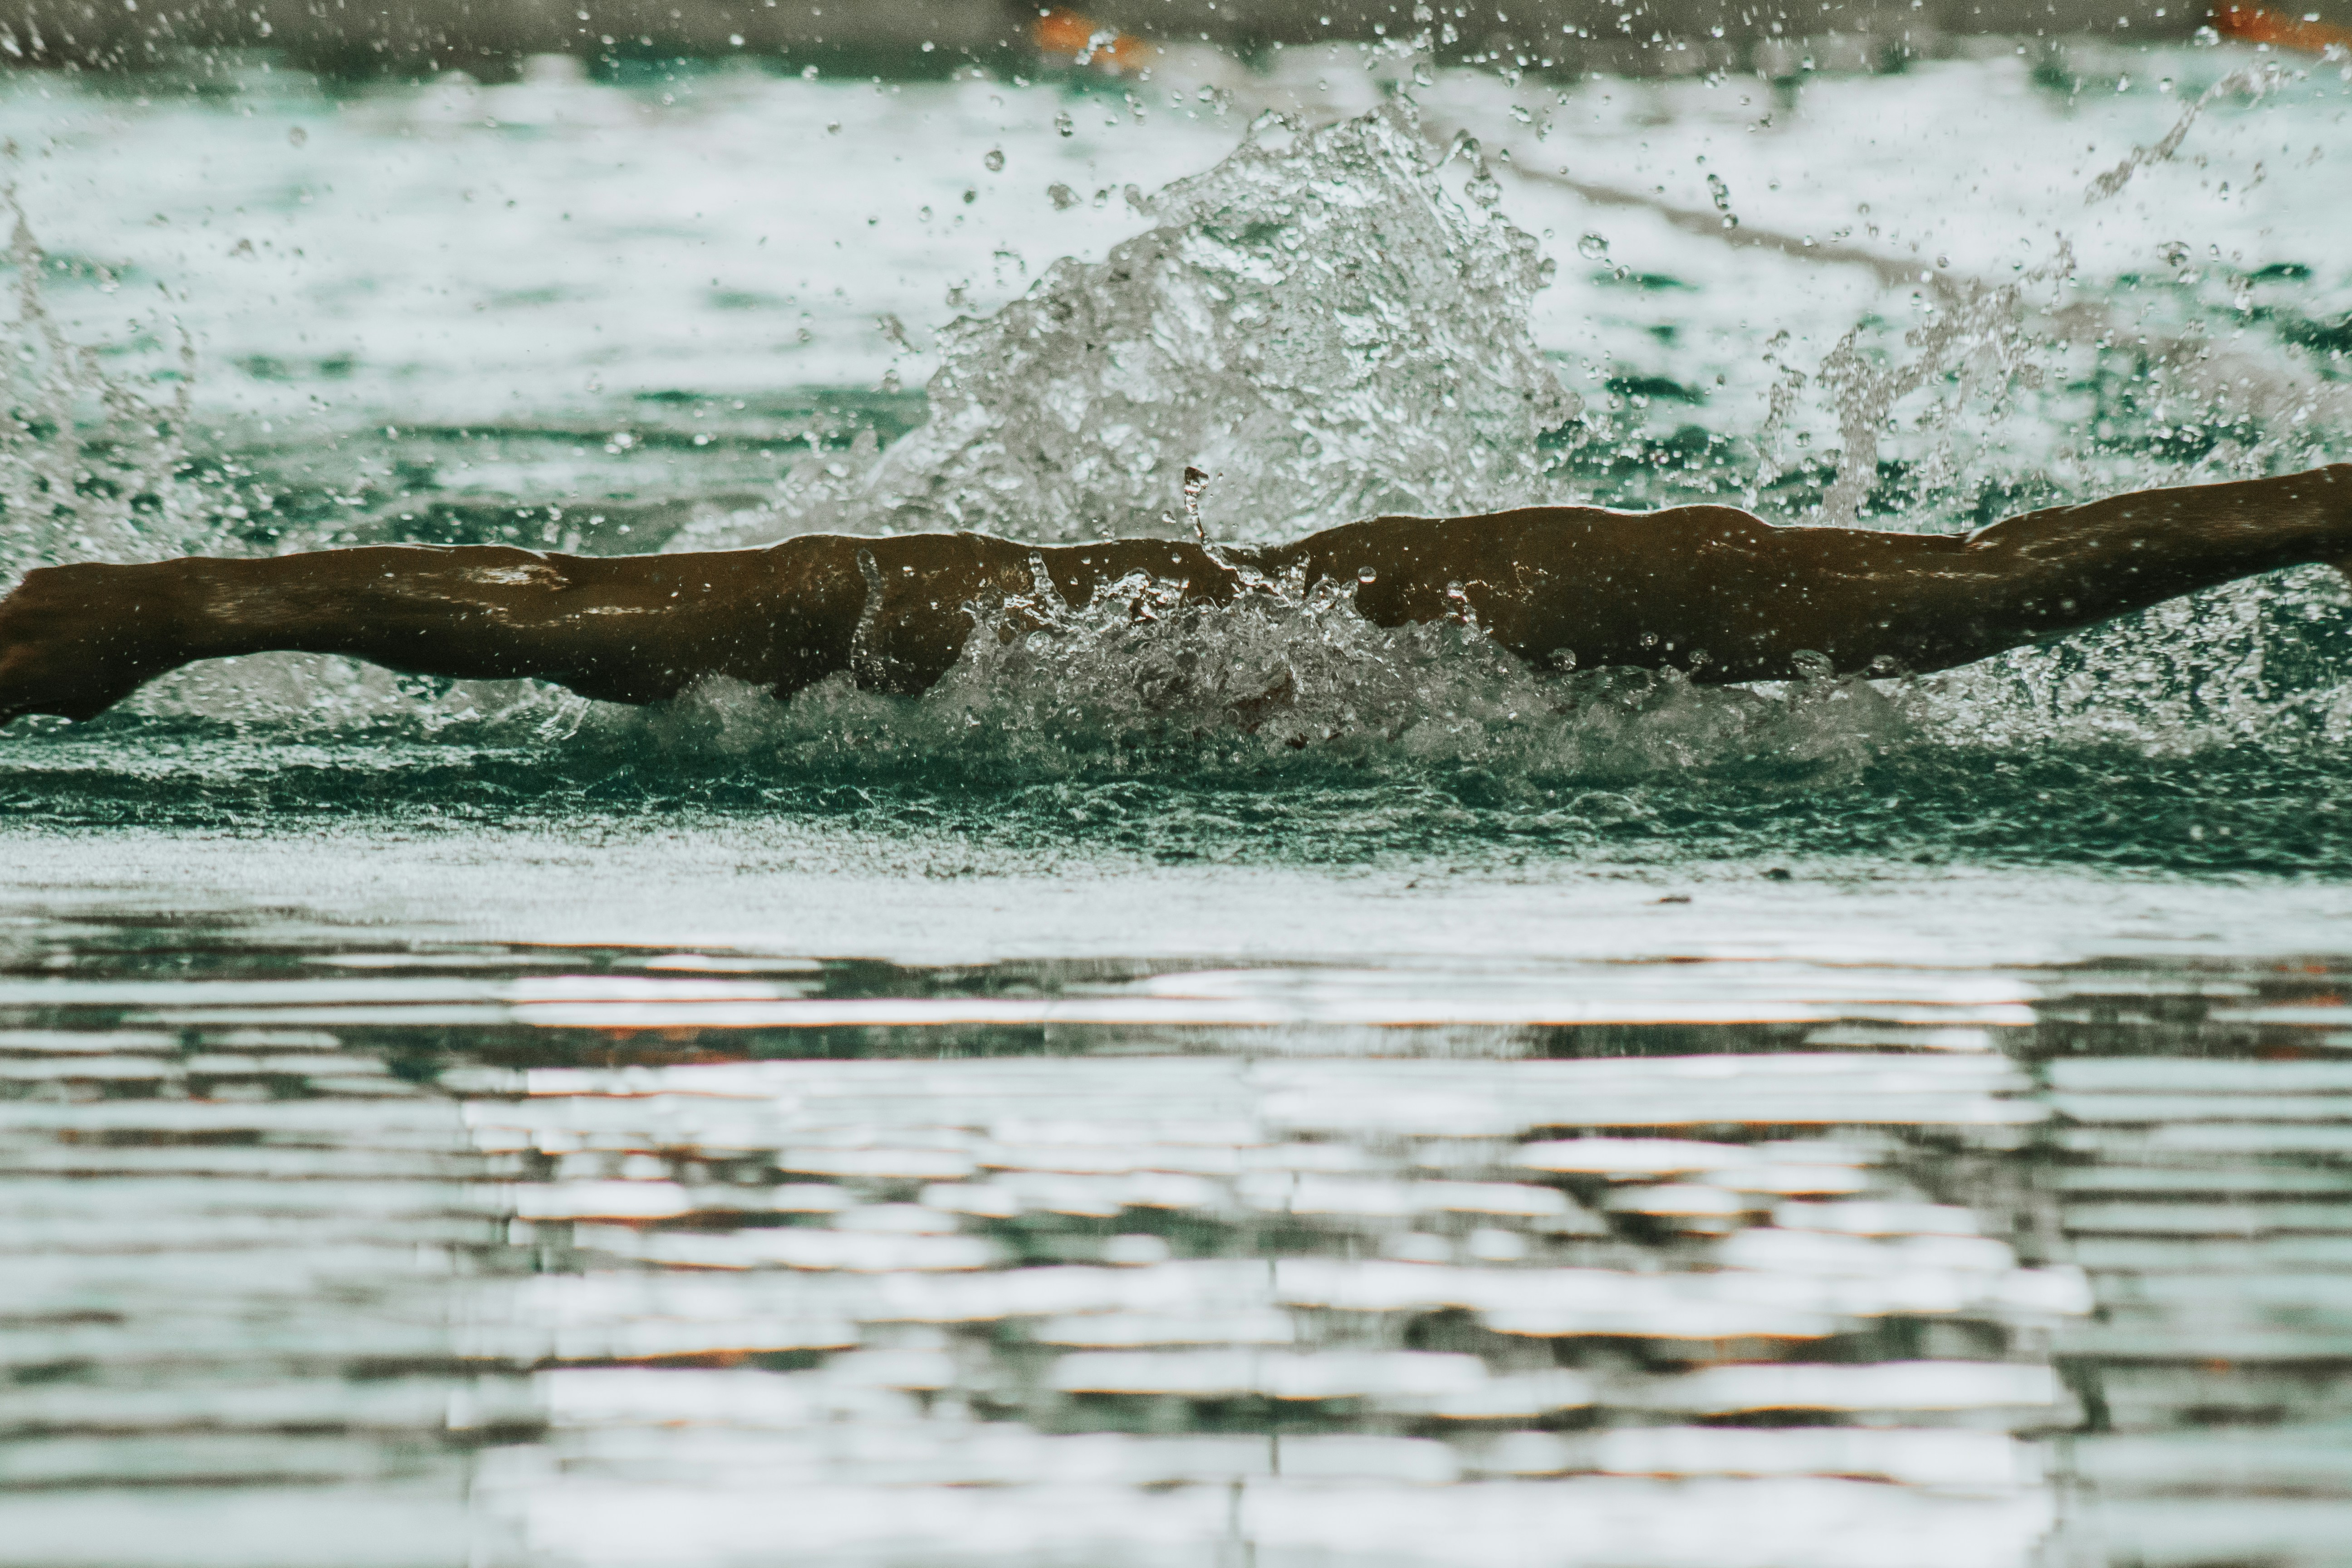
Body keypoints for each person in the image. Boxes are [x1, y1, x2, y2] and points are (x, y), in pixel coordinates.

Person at [0, 466, 2346, 727]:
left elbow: (2012, 580)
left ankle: (162, 605)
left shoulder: (1607, 602)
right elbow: (2019, 578)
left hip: (1472, 602)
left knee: (594, 619)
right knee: (596, 626)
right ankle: (157, 607)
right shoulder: (1621, 603)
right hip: (992, 613)